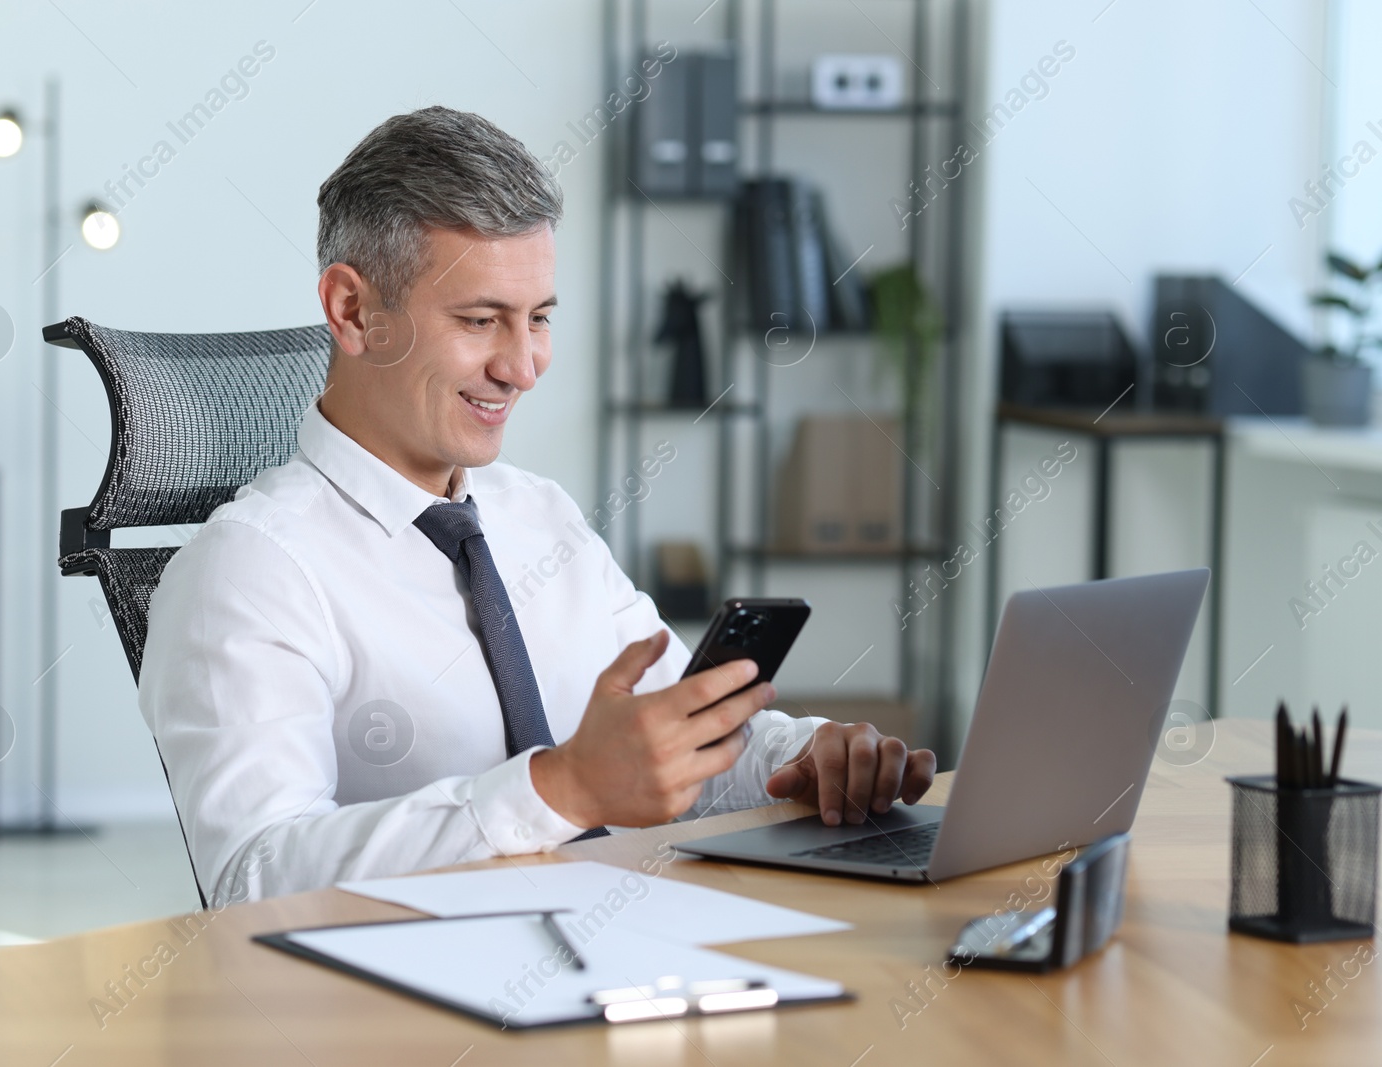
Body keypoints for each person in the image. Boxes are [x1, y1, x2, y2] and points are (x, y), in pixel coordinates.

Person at [139, 106, 936, 905]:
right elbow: (253, 875)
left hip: (611, 952)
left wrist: (803, 756)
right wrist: (559, 790)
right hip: (405, 1003)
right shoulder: (249, 567)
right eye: (481, 320)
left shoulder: (537, 516)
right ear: (353, 311)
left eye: (540, 319)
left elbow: (665, 734)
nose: (522, 367)